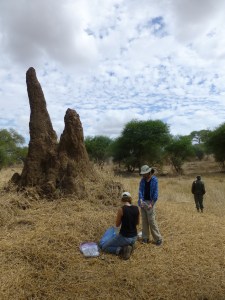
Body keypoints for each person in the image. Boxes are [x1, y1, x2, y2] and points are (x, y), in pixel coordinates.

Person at [101, 191, 140, 260]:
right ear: (130, 199)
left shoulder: (121, 209)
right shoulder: (136, 208)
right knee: (125, 240)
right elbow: (137, 223)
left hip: (125, 237)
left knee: (104, 247)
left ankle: (122, 250)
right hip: (134, 237)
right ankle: (131, 244)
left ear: (122, 200)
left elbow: (117, 224)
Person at [138, 165, 162, 245]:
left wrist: (152, 204)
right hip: (143, 202)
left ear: (148, 172)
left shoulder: (154, 180)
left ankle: (158, 239)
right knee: (144, 220)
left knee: (152, 221)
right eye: (143, 174)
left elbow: (155, 193)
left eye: (144, 173)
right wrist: (140, 200)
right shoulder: (142, 180)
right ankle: (145, 238)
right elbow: (140, 190)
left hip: (150, 203)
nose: (143, 175)